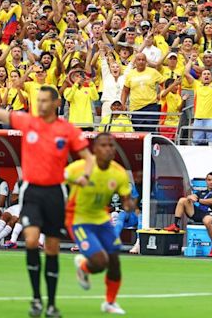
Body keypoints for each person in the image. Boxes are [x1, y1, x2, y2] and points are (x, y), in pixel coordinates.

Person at [0, 77, 94, 318]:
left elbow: (88, 158)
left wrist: (85, 177)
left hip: (55, 192)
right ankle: (36, 299)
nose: (39, 104)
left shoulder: (67, 129)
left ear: (56, 103)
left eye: (44, 101)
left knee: (51, 247)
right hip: (32, 192)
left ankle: (51, 303)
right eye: (37, 100)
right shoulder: (27, 122)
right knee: (30, 240)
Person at [65, 133, 132, 315]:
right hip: (78, 218)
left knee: (115, 261)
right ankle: (84, 267)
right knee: (100, 262)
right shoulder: (79, 168)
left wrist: (129, 204)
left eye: (111, 145)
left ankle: (110, 303)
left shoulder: (118, 173)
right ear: (94, 149)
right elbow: (57, 179)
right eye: (103, 145)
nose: (109, 149)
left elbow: (126, 198)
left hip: (101, 218)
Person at [164, 172, 212, 257]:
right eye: (209, 180)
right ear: (206, 181)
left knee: (207, 221)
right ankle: (176, 224)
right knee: (183, 200)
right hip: (198, 213)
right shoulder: (202, 192)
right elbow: (191, 196)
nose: (211, 182)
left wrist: (198, 200)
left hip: (211, 214)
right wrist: (190, 197)